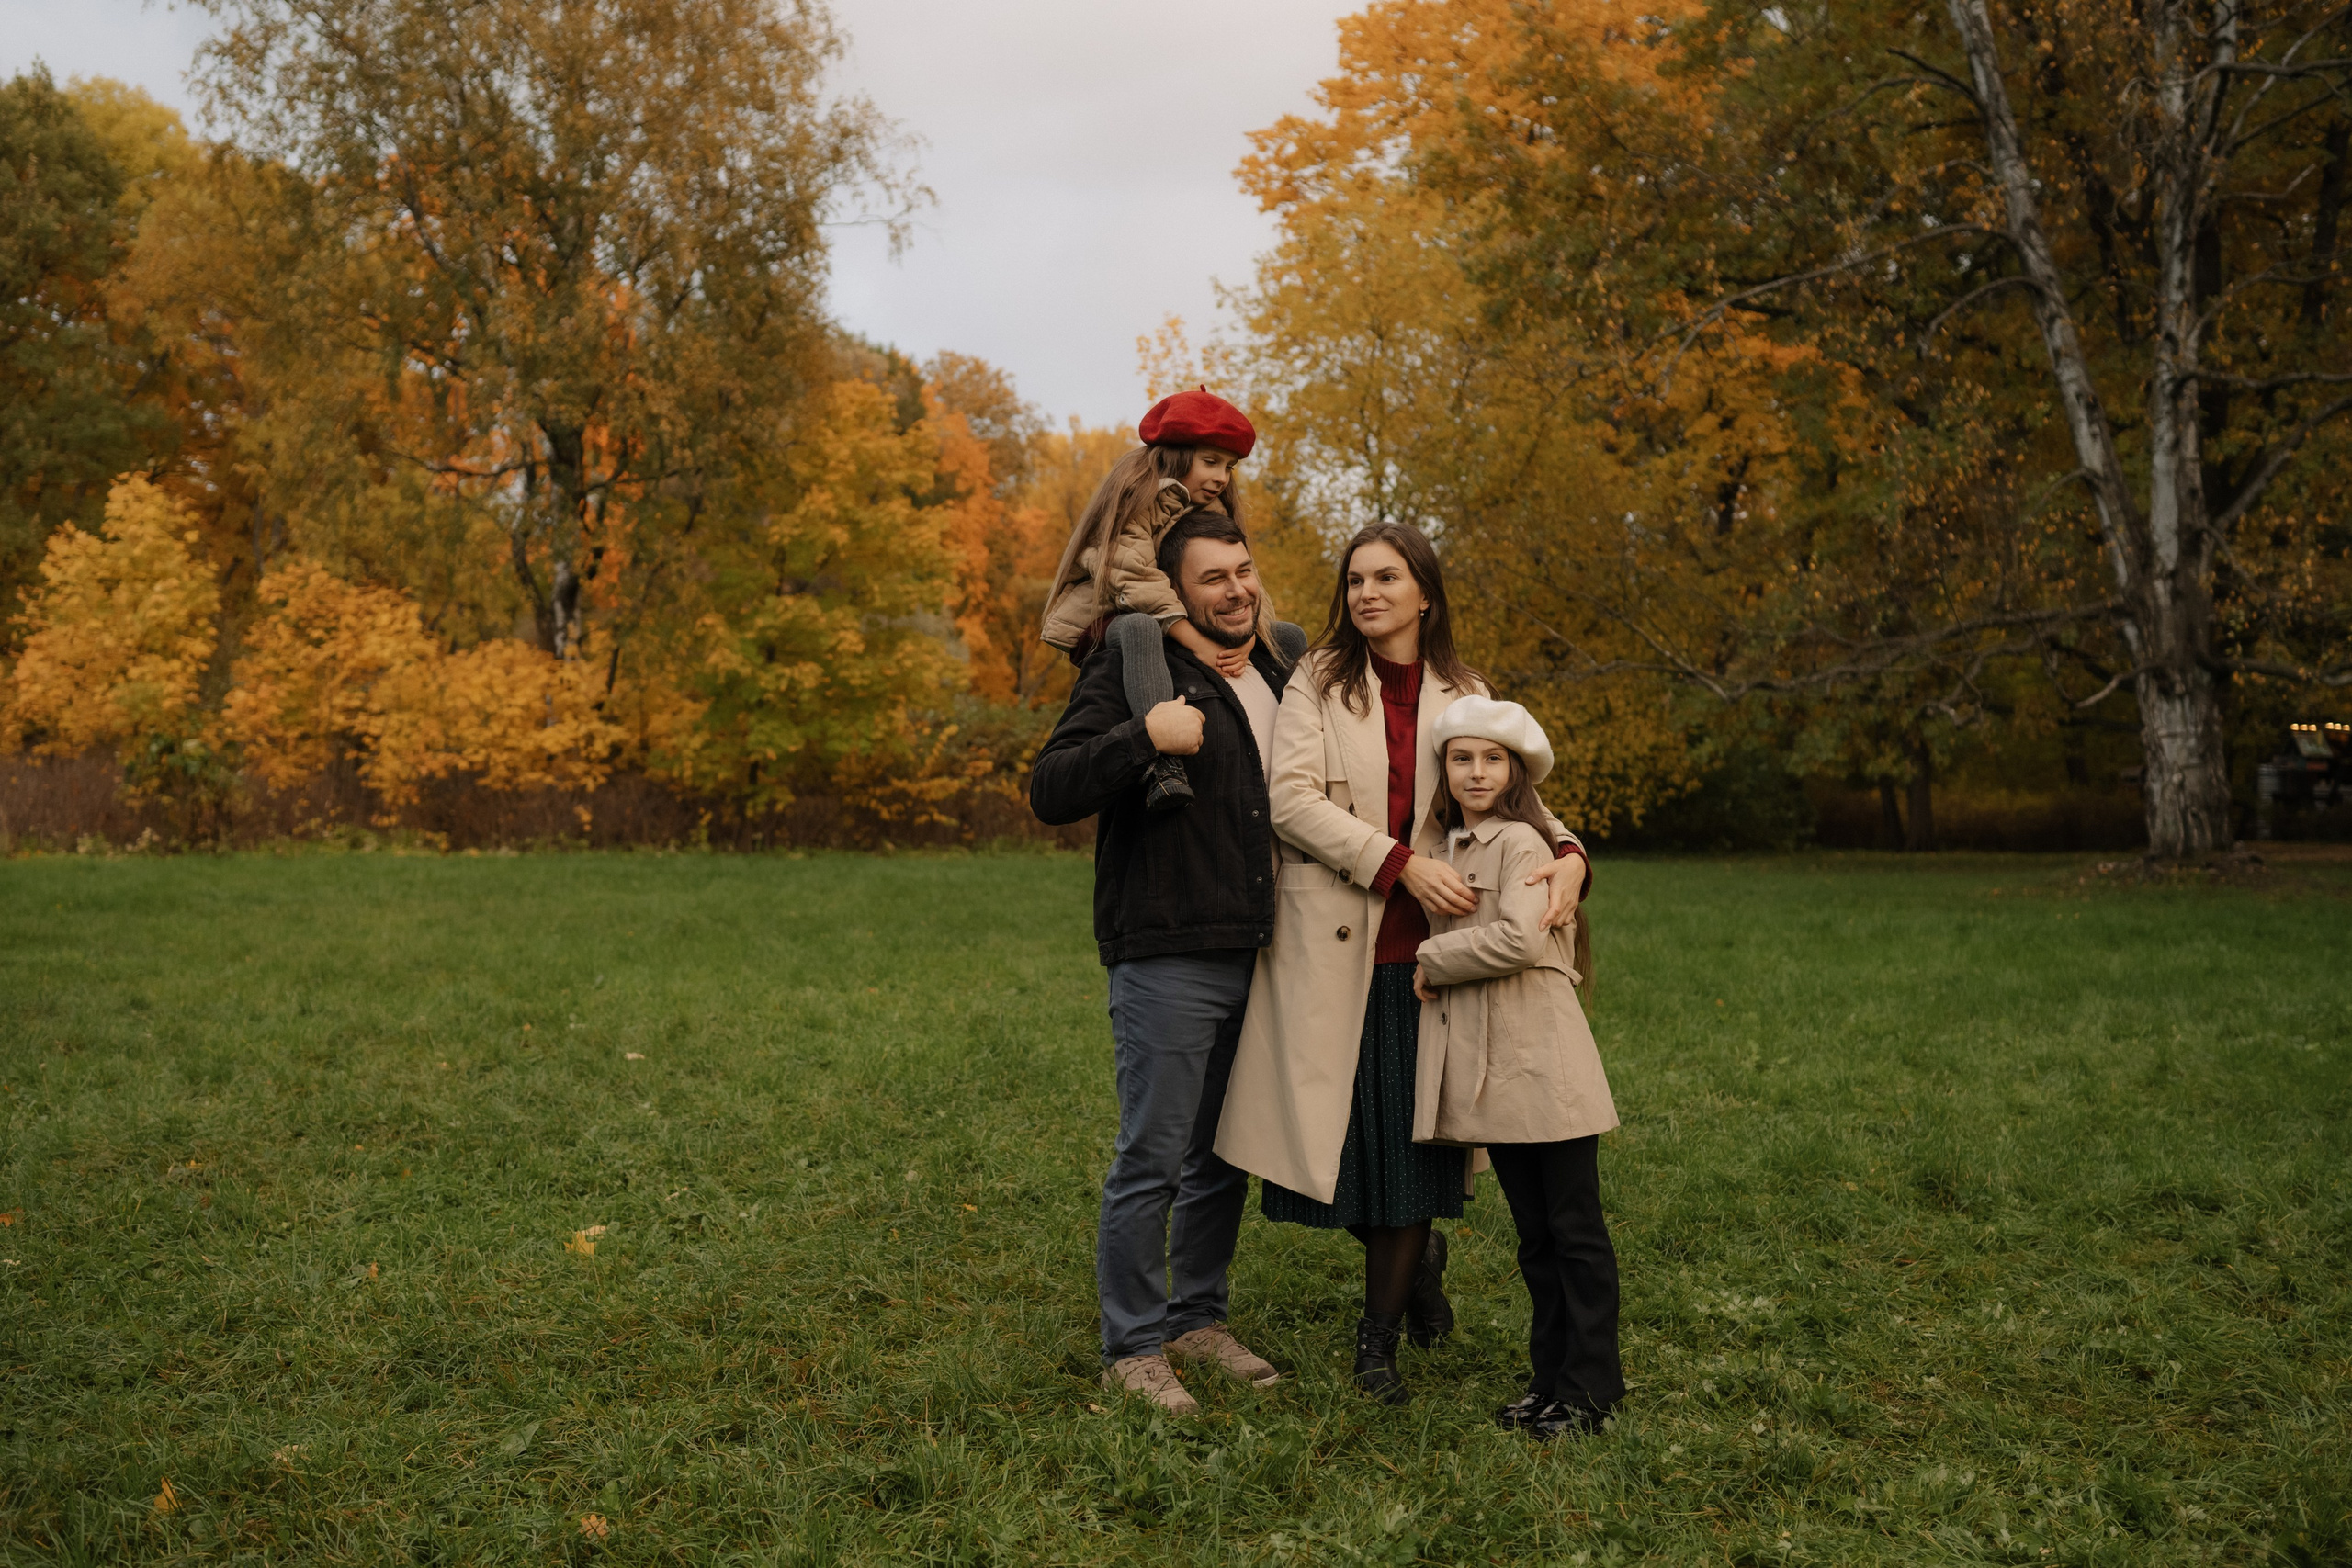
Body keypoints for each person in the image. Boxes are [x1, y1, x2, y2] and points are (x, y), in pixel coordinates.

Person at [1215, 522, 1590, 1405]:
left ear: (1425, 591)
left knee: (1412, 1152)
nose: (1367, 593)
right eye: (1354, 580)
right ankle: (1419, 1264)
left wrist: (1571, 850)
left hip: (1435, 956)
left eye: (1387, 577)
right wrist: (1396, 861)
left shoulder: (1466, 690)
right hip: (1331, 943)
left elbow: (1516, 788)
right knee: (1337, 1151)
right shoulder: (1319, 678)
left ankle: (1376, 1343)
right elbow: (1290, 800)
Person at [1029, 507, 1298, 1416]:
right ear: (1176, 591)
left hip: (1269, 948)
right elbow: (1052, 785)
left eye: (1244, 570)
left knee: (1228, 1154)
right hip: (1169, 946)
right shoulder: (1136, 660)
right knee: (1156, 1153)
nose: (1237, 589)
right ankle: (1133, 1348)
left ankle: (1198, 1319)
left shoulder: (1280, 664)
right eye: (1214, 578)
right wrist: (1146, 735)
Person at [1412, 695, 1623, 1440]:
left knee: (1575, 1227)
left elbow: (1521, 940)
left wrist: (1431, 957)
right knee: (1535, 1234)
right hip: (1498, 1067)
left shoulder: (1524, 843)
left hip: (1544, 1060)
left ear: (1516, 769)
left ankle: (1592, 1388)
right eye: (1461, 758)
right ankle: (1549, 1380)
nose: (1475, 771)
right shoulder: (1448, 844)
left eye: (1492, 758)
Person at [1039, 386, 1279, 813]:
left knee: (1288, 636)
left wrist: (1248, 637)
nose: (1222, 476)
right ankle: (1164, 765)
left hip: (1162, 611)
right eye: (1210, 462)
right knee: (1139, 627)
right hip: (1109, 614)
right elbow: (1134, 578)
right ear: (1175, 454)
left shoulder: (1207, 507)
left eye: (1229, 466)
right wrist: (1200, 643)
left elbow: (1237, 575)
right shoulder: (1139, 496)